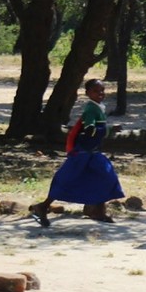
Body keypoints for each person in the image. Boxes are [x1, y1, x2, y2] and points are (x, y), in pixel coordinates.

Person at [29, 79, 124, 227]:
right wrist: (109, 130)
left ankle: (98, 211)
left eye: (102, 91)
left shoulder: (98, 107)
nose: (100, 94)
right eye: (96, 91)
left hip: (93, 152)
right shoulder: (91, 110)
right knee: (67, 180)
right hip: (83, 153)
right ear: (87, 93)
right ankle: (43, 206)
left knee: (104, 176)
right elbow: (90, 130)